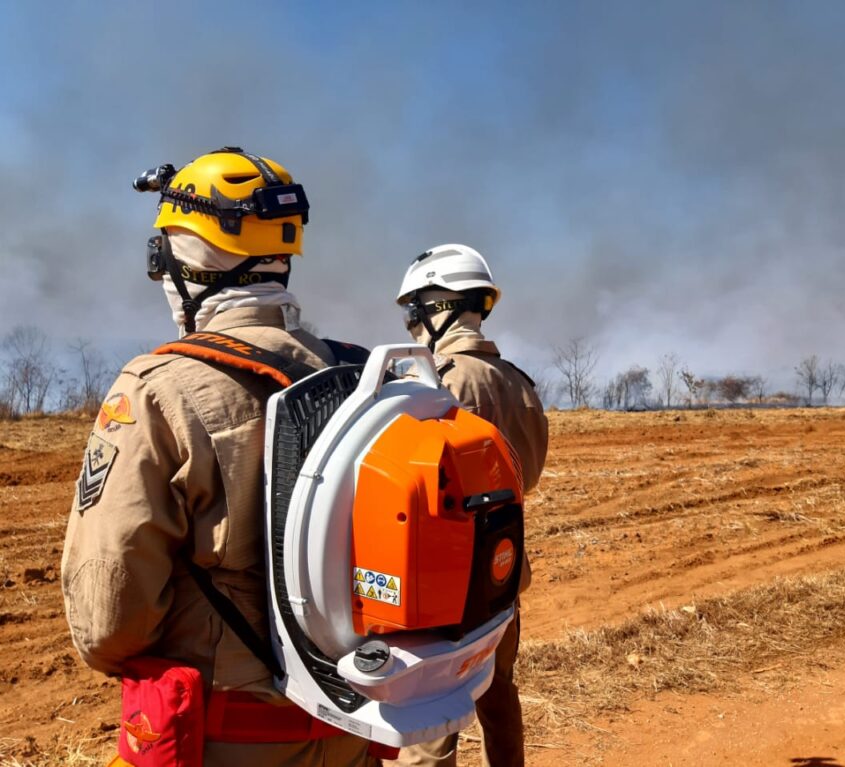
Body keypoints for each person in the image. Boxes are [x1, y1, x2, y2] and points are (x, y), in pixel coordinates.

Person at [61, 148, 377, 766]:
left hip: (227, 738)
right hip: (353, 730)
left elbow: (108, 620)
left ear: (185, 265)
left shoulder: (158, 389)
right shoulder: (363, 375)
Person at [389, 244, 549, 767]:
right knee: (498, 693)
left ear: (441, 309)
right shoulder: (519, 383)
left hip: (445, 586)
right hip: (501, 576)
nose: (412, 327)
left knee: (430, 718)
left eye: (414, 312)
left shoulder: (439, 383)